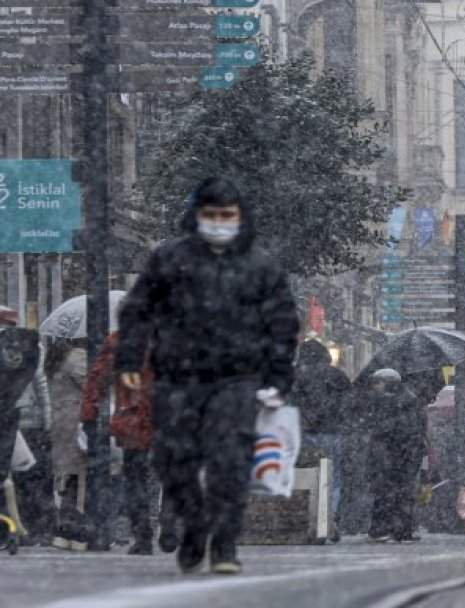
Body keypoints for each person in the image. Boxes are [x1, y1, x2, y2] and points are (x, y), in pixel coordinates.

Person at [116, 177, 300, 573]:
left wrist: (278, 378)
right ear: (197, 216)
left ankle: (225, 544)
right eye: (211, 215)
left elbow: (283, 325)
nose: (219, 222)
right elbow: (138, 310)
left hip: (237, 378)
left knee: (230, 461)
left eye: (226, 216)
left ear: (239, 218)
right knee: (172, 458)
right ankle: (195, 523)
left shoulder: (259, 265)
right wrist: (130, 360)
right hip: (178, 376)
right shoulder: (170, 259)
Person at [80, 331, 174, 555]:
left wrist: (89, 413)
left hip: (133, 417)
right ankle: (169, 522)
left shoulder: (121, 340)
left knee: (135, 480)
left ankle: (143, 536)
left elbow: (98, 378)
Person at [2, 312, 55, 547]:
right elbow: (40, 383)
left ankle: (12, 527)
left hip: (11, 415)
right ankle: (26, 527)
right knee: (26, 477)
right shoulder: (30, 348)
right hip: (24, 417)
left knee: (8, 477)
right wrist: (47, 419)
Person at [291, 339, 352, 541]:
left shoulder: (295, 375)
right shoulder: (336, 375)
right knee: (332, 479)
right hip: (331, 432)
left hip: (303, 432)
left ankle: (306, 519)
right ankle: (327, 520)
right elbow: (349, 403)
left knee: (303, 476)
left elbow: (289, 402)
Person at [364, 369, 427, 543]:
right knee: (402, 492)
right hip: (405, 454)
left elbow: (384, 429)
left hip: (392, 454)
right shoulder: (410, 399)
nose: (376, 387)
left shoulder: (388, 402)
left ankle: (382, 529)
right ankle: (402, 530)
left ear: (388, 383)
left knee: (386, 492)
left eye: (379, 383)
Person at [46, 339, 90, 551]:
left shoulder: (55, 357)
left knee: (69, 476)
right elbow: (90, 384)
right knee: (82, 477)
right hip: (77, 422)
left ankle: (64, 530)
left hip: (61, 420)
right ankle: (78, 530)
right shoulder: (77, 356)